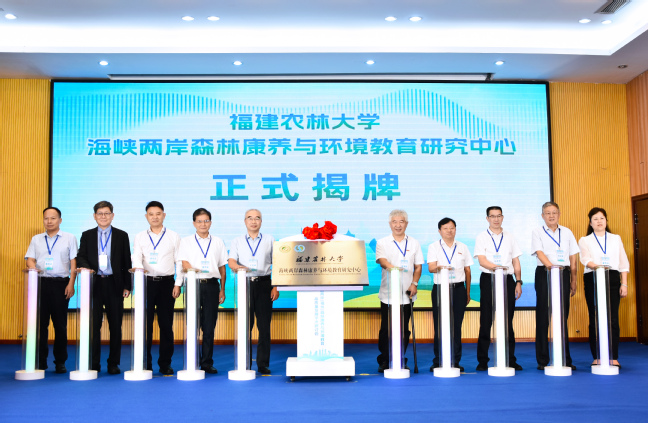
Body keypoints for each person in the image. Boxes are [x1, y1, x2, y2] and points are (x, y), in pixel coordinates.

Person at [76, 201, 132, 375]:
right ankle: (94, 363)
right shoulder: (87, 235)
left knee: (115, 326)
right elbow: (81, 257)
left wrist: (127, 285)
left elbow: (126, 261)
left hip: (114, 284)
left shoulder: (122, 235)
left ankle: (113, 363)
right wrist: (88, 269)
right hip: (94, 283)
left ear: (112, 216)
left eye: (107, 213)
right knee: (94, 326)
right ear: (94, 216)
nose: (103, 216)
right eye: (100, 213)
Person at [24, 207, 78, 374]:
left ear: (60, 220)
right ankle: (40, 361)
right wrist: (33, 267)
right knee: (40, 325)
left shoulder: (69, 238)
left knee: (60, 325)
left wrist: (71, 283)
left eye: (53, 218)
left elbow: (73, 263)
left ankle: (60, 362)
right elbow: (30, 259)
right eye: (46, 218)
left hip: (61, 284)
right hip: (40, 283)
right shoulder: (36, 239)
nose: (49, 221)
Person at [131, 201, 181, 375]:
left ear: (164, 215)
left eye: (158, 214)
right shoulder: (140, 236)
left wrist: (178, 283)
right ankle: (146, 363)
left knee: (166, 325)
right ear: (146, 216)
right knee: (145, 325)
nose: (154, 217)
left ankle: (165, 363)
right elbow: (136, 258)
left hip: (167, 283)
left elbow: (179, 261)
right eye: (151, 214)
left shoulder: (173, 236)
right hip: (146, 283)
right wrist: (139, 273)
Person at [228, 209, 278, 375]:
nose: (253, 221)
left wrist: (276, 286)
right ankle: (245, 363)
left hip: (265, 284)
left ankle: (263, 364)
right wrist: (237, 267)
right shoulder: (237, 241)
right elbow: (231, 261)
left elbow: (278, 262)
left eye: (257, 218)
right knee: (245, 326)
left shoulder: (269, 239)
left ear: (261, 221)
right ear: (245, 221)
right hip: (245, 284)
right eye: (250, 218)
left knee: (264, 327)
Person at [178, 208, 228, 374]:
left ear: (210, 223)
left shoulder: (218, 242)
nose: (203, 224)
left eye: (206, 221)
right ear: (194, 223)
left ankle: (206, 362)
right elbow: (184, 263)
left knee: (209, 326)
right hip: (193, 284)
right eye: (199, 221)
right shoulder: (186, 241)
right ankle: (192, 360)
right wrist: (193, 271)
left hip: (212, 286)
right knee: (192, 324)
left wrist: (222, 289)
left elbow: (222, 268)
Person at [473, 206, 523, 371]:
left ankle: (510, 359)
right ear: (487, 218)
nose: (496, 219)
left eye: (498, 216)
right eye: (492, 216)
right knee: (486, 320)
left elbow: (515, 261)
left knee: (507, 321)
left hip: (507, 279)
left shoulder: (510, 236)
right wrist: (497, 268)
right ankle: (482, 361)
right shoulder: (482, 236)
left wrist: (518, 281)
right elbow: (482, 260)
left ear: (502, 217)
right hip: (489, 278)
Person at [578, 207, 629, 368]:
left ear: (606, 221)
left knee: (613, 318)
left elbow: (623, 262)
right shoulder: (585, 240)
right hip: (593, 277)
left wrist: (624, 283)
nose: (599, 221)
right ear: (590, 223)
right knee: (595, 317)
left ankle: (613, 356)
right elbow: (585, 259)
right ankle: (597, 356)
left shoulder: (615, 238)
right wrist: (599, 267)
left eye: (602, 218)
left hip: (612, 277)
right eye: (595, 219)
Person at [531, 201, 579, 371]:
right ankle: (543, 359)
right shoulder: (537, 232)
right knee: (543, 316)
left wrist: (573, 279)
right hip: (545, 273)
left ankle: (564, 358)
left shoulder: (567, 232)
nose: (551, 216)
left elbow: (573, 257)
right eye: (547, 213)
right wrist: (552, 268)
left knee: (562, 316)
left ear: (559, 214)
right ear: (542, 215)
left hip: (563, 273)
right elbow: (539, 252)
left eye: (554, 212)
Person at [375, 209, 423, 373]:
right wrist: (394, 268)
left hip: (407, 294)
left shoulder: (414, 243)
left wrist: (414, 283)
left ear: (406, 224)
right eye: (394, 222)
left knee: (404, 329)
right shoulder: (382, 242)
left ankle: (400, 358)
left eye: (401, 222)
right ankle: (385, 359)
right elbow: (382, 261)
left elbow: (418, 267)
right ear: (390, 224)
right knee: (386, 329)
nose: (398, 225)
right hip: (388, 294)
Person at [427, 217, 473, 372]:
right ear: (439, 231)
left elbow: (468, 271)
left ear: (455, 229)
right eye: (445, 228)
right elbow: (431, 268)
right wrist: (443, 267)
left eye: (452, 228)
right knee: (440, 325)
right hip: (441, 289)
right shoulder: (434, 246)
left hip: (459, 289)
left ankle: (455, 361)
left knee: (456, 326)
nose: (449, 231)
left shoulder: (463, 247)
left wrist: (467, 292)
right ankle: (438, 361)